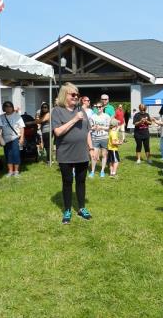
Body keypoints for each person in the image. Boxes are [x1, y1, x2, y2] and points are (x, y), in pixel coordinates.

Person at [51, 82, 94, 224]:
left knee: (81, 181)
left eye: (77, 94)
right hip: (65, 153)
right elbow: (57, 132)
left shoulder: (81, 110)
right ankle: (68, 209)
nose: (76, 97)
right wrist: (74, 119)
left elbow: (87, 131)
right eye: (73, 94)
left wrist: (91, 149)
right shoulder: (57, 111)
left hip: (82, 153)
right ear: (65, 95)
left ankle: (81, 208)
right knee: (67, 181)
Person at [1, 101, 25, 177]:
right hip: (5, 139)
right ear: (4, 108)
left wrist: (22, 138)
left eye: (10, 106)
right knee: (8, 155)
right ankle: (10, 171)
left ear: (12, 107)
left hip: (15, 138)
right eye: (6, 106)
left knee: (16, 154)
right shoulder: (1, 117)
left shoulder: (17, 116)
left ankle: (16, 171)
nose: (8, 108)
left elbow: (22, 128)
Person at [89, 102, 110, 178]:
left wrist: (101, 127)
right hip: (95, 138)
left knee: (104, 154)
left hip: (104, 137)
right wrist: (94, 127)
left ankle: (102, 171)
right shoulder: (92, 116)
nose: (98, 108)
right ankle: (92, 171)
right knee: (94, 155)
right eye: (97, 107)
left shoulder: (106, 116)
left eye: (100, 107)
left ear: (103, 107)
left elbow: (108, 127)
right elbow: (90, 127)